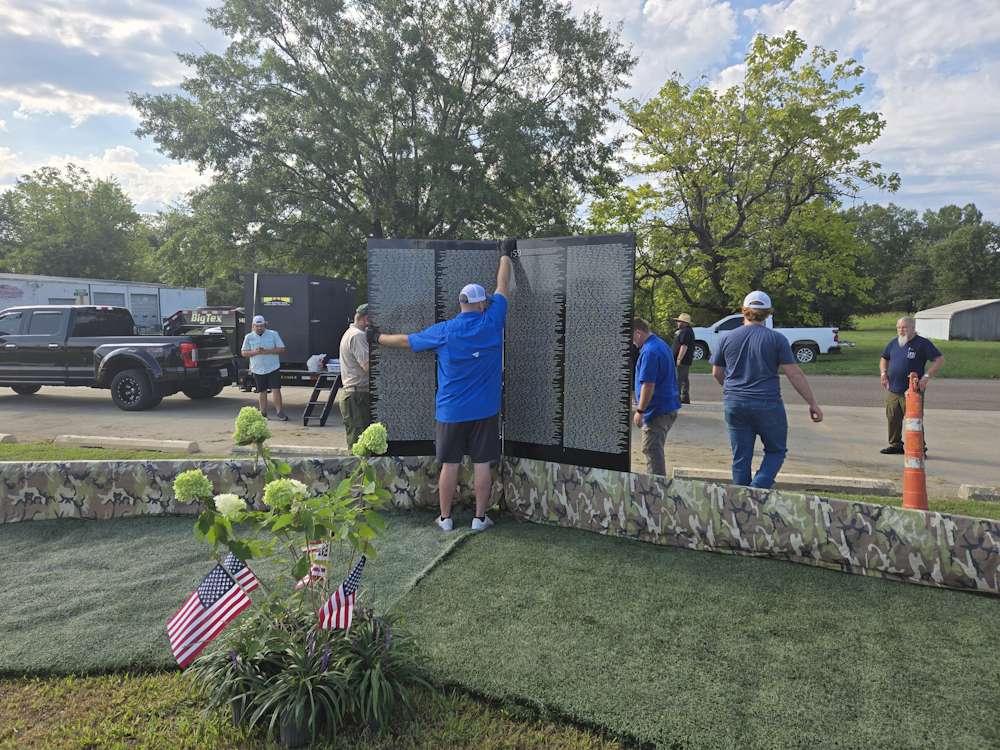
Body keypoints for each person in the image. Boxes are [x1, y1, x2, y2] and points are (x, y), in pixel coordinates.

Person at [369, 242, 515, 532]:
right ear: (480, 303)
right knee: (482, 463)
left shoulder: (445, 331)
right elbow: (503, 284)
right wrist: (505, 254)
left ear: (461, 304)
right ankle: (479, 518)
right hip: (485, 409)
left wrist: (377, 338)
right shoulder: (492, 320)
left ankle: (446, 518)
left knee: (449, 464)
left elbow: (406, 341)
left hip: (450, 410)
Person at [710, 291, 823, 489]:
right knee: (775, 451)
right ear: (768, 313)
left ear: (744, 311)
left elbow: (717, 372)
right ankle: (756, 492)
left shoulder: (726, 338)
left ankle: (741, 502)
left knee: (741, 456)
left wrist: (731, 390)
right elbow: (794, 373)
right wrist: (812, 403)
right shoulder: (776, 339)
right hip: (767, 403)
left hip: (735, 403)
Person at [879, 316, 944, 455]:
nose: (901, 330)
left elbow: (939, 359)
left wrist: (926, 377)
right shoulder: (894, 343)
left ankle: (919, 448)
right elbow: (884, 358)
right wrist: (883, 373)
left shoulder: (922, 343)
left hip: (913, 390)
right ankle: (896, 444)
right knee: (892, 418)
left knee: (914, 420)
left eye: (904, 327)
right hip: (893, 389)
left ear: (913, 328)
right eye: (898, 328)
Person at [633, 319, 682, 476]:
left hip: (657, 411)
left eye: (631, 337)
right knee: (654, 449)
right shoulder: (660, 344)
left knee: (652, 450)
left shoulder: (649, 351)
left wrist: (640, 411)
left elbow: (648, 385)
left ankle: (656, 490)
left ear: (638, 333)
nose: (631, 342)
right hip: (667, 407)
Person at [336, 303, 373, 450]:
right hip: (357, 396)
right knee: (360, 446)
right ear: (366, 319)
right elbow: (367, 366)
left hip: (355, 394)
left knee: (359, 442)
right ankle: (357, 473)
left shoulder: (350, 333)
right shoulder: (358, 336)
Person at [240, 314, 288, 421]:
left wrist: (267, 351)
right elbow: (243, 352)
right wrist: (254, 352)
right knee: (262, 391)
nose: (259, 328)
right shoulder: (249, 337)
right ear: (253, 326)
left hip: (273, 367)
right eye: (257, 326)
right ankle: (263, 413)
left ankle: (280, 412)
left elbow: (282, 349)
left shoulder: (273, 334)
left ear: (265, 325)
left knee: (276, 389)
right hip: (257, 368)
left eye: (261, 326)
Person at [672, 313, 695, 404]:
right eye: (678, 321)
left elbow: (684, 346)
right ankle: (685, 397)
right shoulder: (686, 331)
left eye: (680, 321)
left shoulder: (685, 331)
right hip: (686, 359)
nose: (678, 323)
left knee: (679, 378)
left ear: (685, 323)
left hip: (683, 359)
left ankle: (676, 397)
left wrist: (679, 359)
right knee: (684, 378)